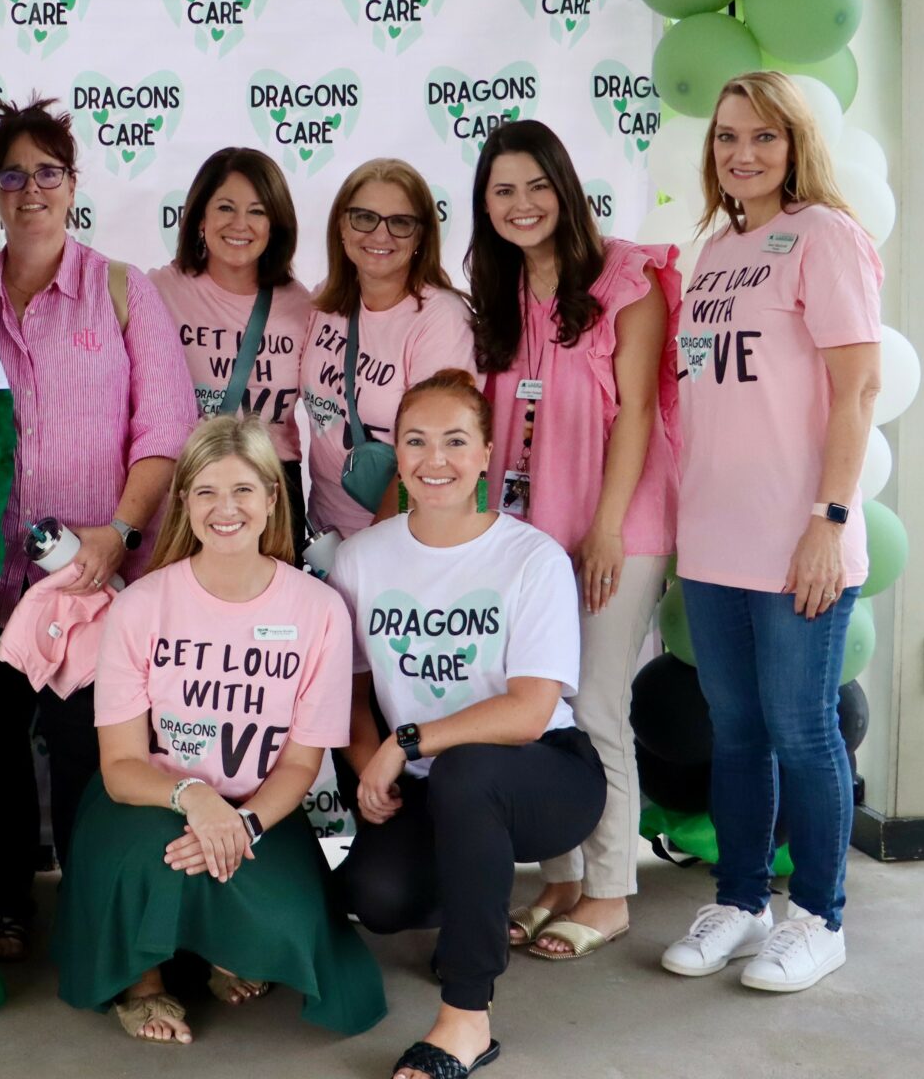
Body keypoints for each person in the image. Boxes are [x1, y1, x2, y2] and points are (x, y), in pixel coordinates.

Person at [54, 414, 385, 1044]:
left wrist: (243, 825)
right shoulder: (141, 605)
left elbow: (300, 764)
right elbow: (121, 767)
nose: (224, 509)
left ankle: (218, 949)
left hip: (259, 809)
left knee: (288, 923)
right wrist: (195, 798)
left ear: (272, 498)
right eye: (206, 491)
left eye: (242, 490)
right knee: (157, 858)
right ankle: (144, 983)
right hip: (147, 802)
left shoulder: (318, 609)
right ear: (183, 501)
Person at [0, 96, 196, 963]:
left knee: (91, 754)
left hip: (91, 586)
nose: (32, 190)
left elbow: (164, 431)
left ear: (73, 183)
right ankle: (1, 904)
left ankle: (102, 909)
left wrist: (118, 533)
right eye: (12, 175)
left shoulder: (122, 290)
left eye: (48, 173)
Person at [659, 72, 882, 994]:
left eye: (763, 136)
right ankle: (742, 902)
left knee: (802, 730)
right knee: (738, 732)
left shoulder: (824, 236)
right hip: (714, 540)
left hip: (800, 539)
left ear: (796, 146)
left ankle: (819, 918)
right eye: (726, 136)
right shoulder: (716, 249)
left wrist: (829, 521)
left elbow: (859, 388)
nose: (741, 153)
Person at [329, 369, 604, 1079]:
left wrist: (406, 742)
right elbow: (348, 697)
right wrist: (372, 771)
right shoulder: (361, 559)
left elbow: (529, 711)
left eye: (455, 441)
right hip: (429, 784)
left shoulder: (531, 557)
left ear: (486, 453)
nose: (436, 459)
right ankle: (470, 897)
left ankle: (466, 1016)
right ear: (396, 453)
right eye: (416, 441)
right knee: (378, 897)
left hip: (546, 774)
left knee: (466, 769)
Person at [462, 120, 681, 960]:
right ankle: (558, 878)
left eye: (536, 186)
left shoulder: (628, 278)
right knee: (541, 708)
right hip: (528, 536)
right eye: (502, 191)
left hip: (615, 528)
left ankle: (611, 888)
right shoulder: (502, 292)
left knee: (594, 704)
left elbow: (637, 414)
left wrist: (607, 529)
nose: (522, 205)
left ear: (566, 188)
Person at [149, 147, 315, 555]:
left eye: (257, 211)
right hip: (190, 486)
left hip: (272, 488)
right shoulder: (157, 291)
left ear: (275, 224)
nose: (240, 224)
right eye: (225, 207)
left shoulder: (304, 307)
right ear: (199, 218)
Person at [301, 159, 477, 543]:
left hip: (405, 538)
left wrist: (371, 551)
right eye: (364, 218)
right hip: (324, 532)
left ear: (420, 236)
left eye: (400, 222)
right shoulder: (324, 301)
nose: (381, 234)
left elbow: (435, 456)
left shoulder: (441, 320)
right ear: (341, 226)